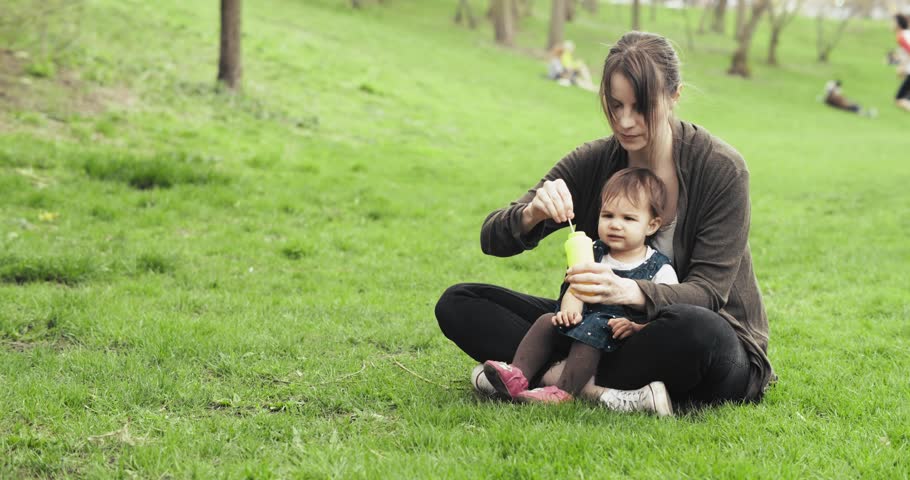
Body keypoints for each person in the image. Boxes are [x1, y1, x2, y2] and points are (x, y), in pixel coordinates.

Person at [437, 31, 775, 415]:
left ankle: (550, 377)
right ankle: (599, 388)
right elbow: (492, 237)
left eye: (640, 107)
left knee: (697, 328)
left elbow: (709, 294)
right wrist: (532, 214)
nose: (626, 122)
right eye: (615, 106)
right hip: (597, 330)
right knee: (460, 303)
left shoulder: (721, 169)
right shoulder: (594, 162)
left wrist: (627, 290)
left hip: (702, 341)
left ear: (674, 96)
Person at [482, 168, 678, 412]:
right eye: (608, 215)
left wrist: (637, 327)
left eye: (628, 219)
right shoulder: (593, 251)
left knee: (594, 327)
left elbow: (670, 314)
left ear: (652, 225)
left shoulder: (658, 267)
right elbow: (575, 287)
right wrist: (569, 310)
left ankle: (563, 391)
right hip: (582, 326)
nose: (616, 225)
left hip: (620, 338)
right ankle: (517, 374)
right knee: (546, 320)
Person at [894, 14, 910, 112]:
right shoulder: (907, 33)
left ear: (898, 24)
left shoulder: (901, 36)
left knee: (900, 99)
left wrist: (902, 67)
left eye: (892, 22)